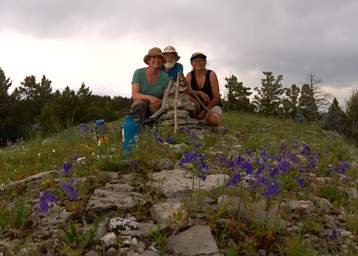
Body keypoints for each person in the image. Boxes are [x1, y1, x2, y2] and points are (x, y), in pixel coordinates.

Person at [130, 47, 170, 123]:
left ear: (161, 61)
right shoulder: (138, 73)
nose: (157, 60)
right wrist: (150, 98)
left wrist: (160, 102)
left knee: (157, 105)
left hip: (155, 105)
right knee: (139, 103)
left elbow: (165, 97)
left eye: (159, 58)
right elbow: (135, 95)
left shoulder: (165, 77)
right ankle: (137, 127)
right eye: (154, 57)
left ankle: (153, 127)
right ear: (148, 60)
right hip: (141, 103)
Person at [185, 52, 223, 126]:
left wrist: (205, 111)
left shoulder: (211, 74)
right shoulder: (190, 75)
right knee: (186, 97)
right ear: (191, 63)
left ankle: (208, 118)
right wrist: (199, 93)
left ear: (205, 62)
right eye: (195, 61)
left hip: (211, 105)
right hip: (197, 104)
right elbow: (186, 91)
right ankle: (197, 119)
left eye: (201, 60)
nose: (198, 63)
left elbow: (216, 97)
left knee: (213, 120)